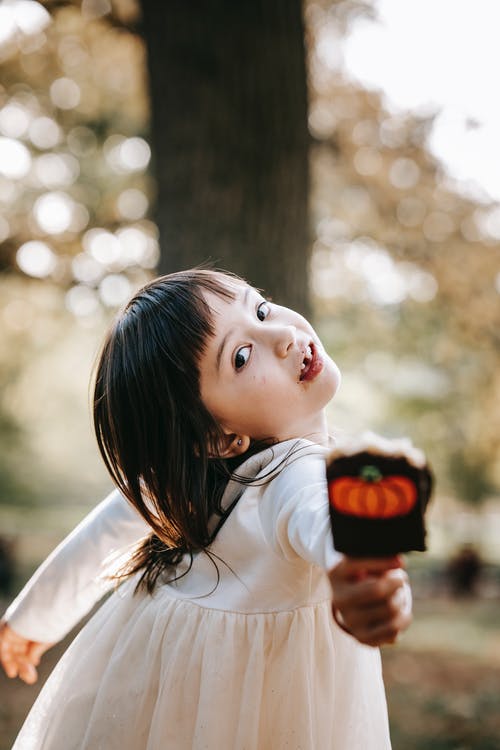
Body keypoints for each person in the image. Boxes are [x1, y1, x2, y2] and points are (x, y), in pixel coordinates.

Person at [0, 269, 413, 749]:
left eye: (259, 308)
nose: (281, 335)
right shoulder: (291, 476)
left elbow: (328, 524)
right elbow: (109, 531)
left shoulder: (225, 479)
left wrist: (32, 619)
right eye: (240, 357)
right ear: (217, 438)